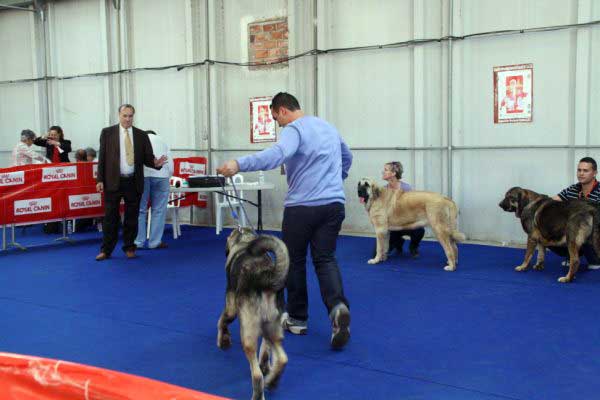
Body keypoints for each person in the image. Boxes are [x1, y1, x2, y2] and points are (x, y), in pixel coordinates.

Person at [217, 92, 353, 350]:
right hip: (334, 204)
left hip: (302, 207)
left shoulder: (294, 129)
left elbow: (278, 154)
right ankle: (338, 307)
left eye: (276, 119)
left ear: (281, 111)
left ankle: (298, 319)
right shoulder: (328, 127)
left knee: (294, 261)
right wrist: (335, 180)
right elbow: (347, 158)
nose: (278, 124)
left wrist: (238, 163)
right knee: (325, 259)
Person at [95, 104, 167, 261]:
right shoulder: (107, 133)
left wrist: (156, 163)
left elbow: (148, 159)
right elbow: (102, 158)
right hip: (112, 181)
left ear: (133, 116)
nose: (127, 119)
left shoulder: (141, 135)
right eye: (124, 115)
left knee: (132, 217)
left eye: (130, 116)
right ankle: (106, 250)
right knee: (110, 218)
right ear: (119, 115)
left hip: (133, 182)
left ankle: (129, 247)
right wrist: (100, 179)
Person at [550, 157, 600, 269]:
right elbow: (550, 203)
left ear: (595, 173)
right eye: (579, 170)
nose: (581, 173)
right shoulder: (572, 189)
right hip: (578, 232)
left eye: (585, 171)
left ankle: (595, 259)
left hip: (594, 232)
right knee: (547, 231)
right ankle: (572, 256)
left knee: (586, 225)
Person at [374, 161, 425, 258]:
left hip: (407, 223)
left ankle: (413, 247)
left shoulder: (406, 188)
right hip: (392, 226)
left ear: (394, 173)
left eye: (385, 170)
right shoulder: (383, 190)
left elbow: (413, 208)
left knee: (419, 230)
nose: (382, 172)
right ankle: (398, 242)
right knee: (375, 253)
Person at [134, 130, 174, 249]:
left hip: (143, 176)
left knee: (140, 209)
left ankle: (138, 242)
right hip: (161, 176)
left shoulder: (139, 140)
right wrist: (168, 176)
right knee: (159, 210)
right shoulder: (162, 141)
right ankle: (154, 242)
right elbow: (170, 163)